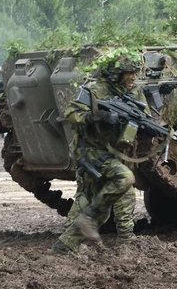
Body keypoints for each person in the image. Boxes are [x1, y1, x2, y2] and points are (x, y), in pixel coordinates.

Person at [52, 49, 140, 253]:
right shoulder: (94, 90)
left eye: (135, 72)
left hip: (110, 152)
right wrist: (94, 117)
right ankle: (83, 230)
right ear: (116, 74)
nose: (133, 77)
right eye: (129, 73)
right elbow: (71, 113)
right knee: (106, 189)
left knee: (99, 196)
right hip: (89, 151)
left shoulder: (129, 93)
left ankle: (66, 244)